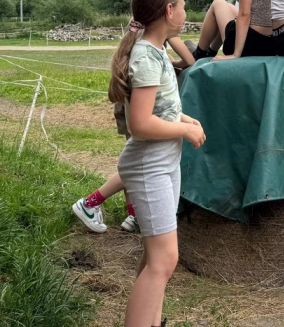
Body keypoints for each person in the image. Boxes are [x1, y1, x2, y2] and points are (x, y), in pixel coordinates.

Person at [110, 0, 206, 327]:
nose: (185, 10)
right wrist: (183, 130)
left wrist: (183, 118)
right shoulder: (148, 57)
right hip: (150, 164)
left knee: (156, 257)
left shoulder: (156, 51)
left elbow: (158, 107)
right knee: (165, 260)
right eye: (181, 4)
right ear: (169, 11)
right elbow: (140, 124)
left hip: (163, 161)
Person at [71, 37, 195, 234]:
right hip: (142, 104)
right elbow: (190, 59)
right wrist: (174, 62)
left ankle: (133, 215)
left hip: (130, 102)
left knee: (138, 162)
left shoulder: (139, 38)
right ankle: (90, 203)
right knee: (139, 163)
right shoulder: (154, 41)